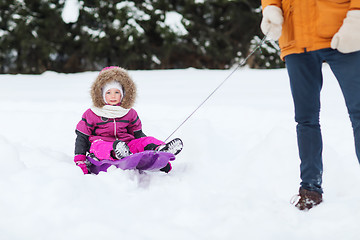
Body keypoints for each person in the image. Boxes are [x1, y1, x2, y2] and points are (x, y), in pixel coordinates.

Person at [260, 0, 360, 210]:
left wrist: (356, 16)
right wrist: (271, 8)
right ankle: (310, 189)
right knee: (305, 119)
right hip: (296, 39)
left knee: (358, 111)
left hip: (342, 31)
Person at [74, 66, 183, 175]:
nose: (113, 96)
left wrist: (158, 160)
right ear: (101, 94)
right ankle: (117, 153)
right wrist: (80, 160)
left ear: (123, 94)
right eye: (108, 93)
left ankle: (161, 150)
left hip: (127, 146)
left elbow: (138, 134)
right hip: (101, 147)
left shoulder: (129, 113)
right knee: (98, 145)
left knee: (145, 140)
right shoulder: (92, 113)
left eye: (117, 92)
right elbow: (82, 137)